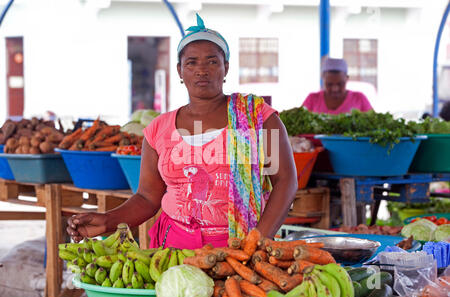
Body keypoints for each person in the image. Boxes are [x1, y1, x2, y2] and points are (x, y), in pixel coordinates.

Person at [66, 14, 298, 250]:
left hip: (239, 247)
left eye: (212, 61)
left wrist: (257, 241)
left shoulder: (256, 117)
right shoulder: (158, 129)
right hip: (174, 247)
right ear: (179, 70)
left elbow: (285, 182)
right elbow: (147, 197)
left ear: (225, 67)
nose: (202, 70)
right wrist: (107, 220)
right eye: (191, 62)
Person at [301, 58, 373, 115]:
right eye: (329, 84)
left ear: (347, 78)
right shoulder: (312, 99)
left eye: (340, 84)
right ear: (323, 79)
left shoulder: (359, 98)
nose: (335, 89)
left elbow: (373, 123)